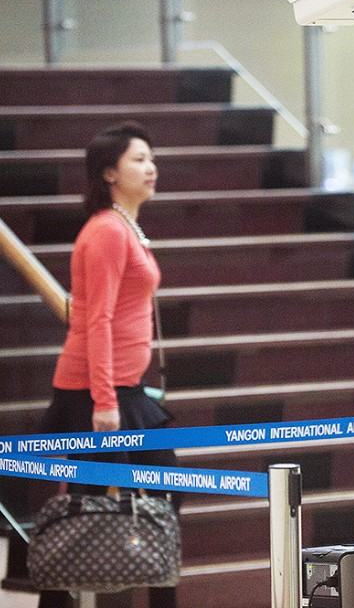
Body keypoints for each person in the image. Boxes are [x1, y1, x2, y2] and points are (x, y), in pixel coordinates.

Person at [37, 120, 179, 608]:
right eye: (138, 159)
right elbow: (94, 320)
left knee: (162, 494)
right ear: (109, 174)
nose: (151, 167)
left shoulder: (126, 227)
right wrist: (103, 402)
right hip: (96, 394)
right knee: (81, 514)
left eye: (151, 157)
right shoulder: (106, 232)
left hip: (126, 388)